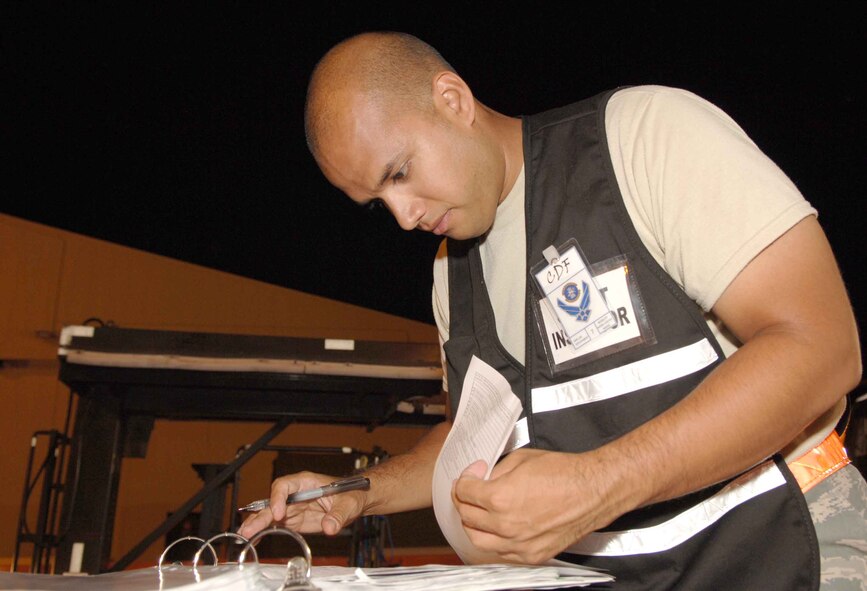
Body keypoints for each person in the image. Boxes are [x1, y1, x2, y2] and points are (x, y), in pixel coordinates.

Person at [240, 31, 866, 589]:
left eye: (400, 172)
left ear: (453, 100)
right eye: (379, 202)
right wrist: (359, 493)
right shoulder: (449, 274)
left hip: (794, 551)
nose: (405, 217)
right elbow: (475, 442)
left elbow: (821, 345)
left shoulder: (638, 140)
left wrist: (600, 484)